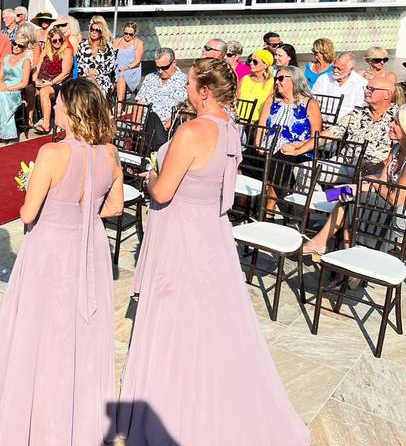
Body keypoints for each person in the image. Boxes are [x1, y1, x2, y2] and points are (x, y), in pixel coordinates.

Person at [121, 57, 309, 446]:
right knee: (209, 315)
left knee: (175, 312)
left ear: (204, 91)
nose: (188, 89)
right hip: (213, 231)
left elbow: (162, 191)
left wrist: (153, 171)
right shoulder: (232, 128)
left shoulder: (192, 131)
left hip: (182, 231)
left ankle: (177, 398)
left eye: (191, 83)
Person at [0, 77, 123, 444]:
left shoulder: (52, 153)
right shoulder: (109, 153)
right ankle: (74, 413)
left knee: (40, 329)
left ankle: (35, 412)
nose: (54, 106)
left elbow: (28, 214)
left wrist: (32, 191)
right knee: (77, 331)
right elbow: (116, 206)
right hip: (89, 247)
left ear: (71, 110)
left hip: (51, 249)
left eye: (58, 103)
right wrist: (85, 210)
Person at [301, 103, 406, 257]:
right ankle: (342, 255)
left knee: (352, 200)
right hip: (384, 203)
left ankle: (328, 247)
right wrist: (357, 186)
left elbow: (398, 200)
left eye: (396, 122)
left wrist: (372, 184)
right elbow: (382, 181)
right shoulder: (396, 149)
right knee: (349, 193)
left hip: (403, 215)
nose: (390, 124)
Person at [283, 74, 399, 178]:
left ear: (387, 95)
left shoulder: (398, 118)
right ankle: (321, 200)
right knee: (303, 169)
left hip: (373, 169)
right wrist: (299, 148)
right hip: (345, 163)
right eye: (366, 87)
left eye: (371, 89)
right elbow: (331, 133)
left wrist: (381, 166)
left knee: (355, 190)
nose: (366, 91)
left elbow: (402, 151)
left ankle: (335, 197)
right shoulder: (358, 112)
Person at [259, 66, 323, 212]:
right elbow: (262, 124)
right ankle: (242, 204)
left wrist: (298, 147)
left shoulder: (309, 104)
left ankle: (269, 207)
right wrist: (258, 144)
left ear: (295, 80)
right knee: (244, 156)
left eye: (281, 78)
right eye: (276, 78)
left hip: (297, 149)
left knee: (277, 160)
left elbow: (316, 136)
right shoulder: (273, 99)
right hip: (268, 145)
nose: (277, 82)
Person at [0, 32, 33, 147]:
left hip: (15, 92)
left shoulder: (26, 61)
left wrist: (7, 88)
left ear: (25, 48)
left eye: (20, 46)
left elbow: (24, 83)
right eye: (14, 43)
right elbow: (0, 78)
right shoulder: (6, 58)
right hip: (3, 88)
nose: (16, 47)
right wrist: (0, 86)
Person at [136, 47, 189, 131]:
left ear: (174, 63)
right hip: (145, 126)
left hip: (168, 128)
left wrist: (170, 121)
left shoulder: (185, 81)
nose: (160, 71)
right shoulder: (150, 78)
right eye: (157, 67)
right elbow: (140, 101)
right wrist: (136, 123)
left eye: (164, 68)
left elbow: (186, 107)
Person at [32, 25, 73, 134]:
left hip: (60, 83)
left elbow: (65, 73)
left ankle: (45, 124)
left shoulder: (67, 51)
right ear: (50, 41)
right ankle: (29, 121)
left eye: (60, 39)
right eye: (55, 40)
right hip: (44, 80)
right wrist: (35, 80)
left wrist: (50, 83)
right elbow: (38, 68)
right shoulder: (46, 51)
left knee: (44, 91)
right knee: (28, 90)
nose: (58, 42)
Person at [311, 52, 367, 121]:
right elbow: (313, 101)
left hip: (346, 125)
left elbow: (360, 110)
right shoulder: (323, 79)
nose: (335, 71)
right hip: (321, 122)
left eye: (339, 69)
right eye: (334, 67)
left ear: (350, 70)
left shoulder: (361, 83)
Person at [76, 14, 116, 97]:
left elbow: (110, 66)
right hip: (85, 77)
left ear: (102, 32)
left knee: (96, 88)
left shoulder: (108, 47)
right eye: (92, 29)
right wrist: (87, 72)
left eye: (97, 30)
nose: (94, 32)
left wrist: (97, 72)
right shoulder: (83, 45)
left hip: (102, 78)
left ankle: (96, 108)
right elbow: (79, 65)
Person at [237, 49, 274, 123]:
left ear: (265, 65)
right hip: (239, 121)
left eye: (255, 62)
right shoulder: (245, 79)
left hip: (256, 123)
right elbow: (236, 99)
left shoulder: (272, 83)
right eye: (250, 60)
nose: (251, 63)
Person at [114, 21, 144, 102]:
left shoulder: (138, 43)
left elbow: (137, 61)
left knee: (122, 76)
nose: (127, 36)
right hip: (116, 68)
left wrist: (127, 67)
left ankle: (119, 104)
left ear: (134, 34)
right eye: (126, 33)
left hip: (131, 69)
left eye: (130, 34)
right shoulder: (117, 41)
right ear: (123, 31)